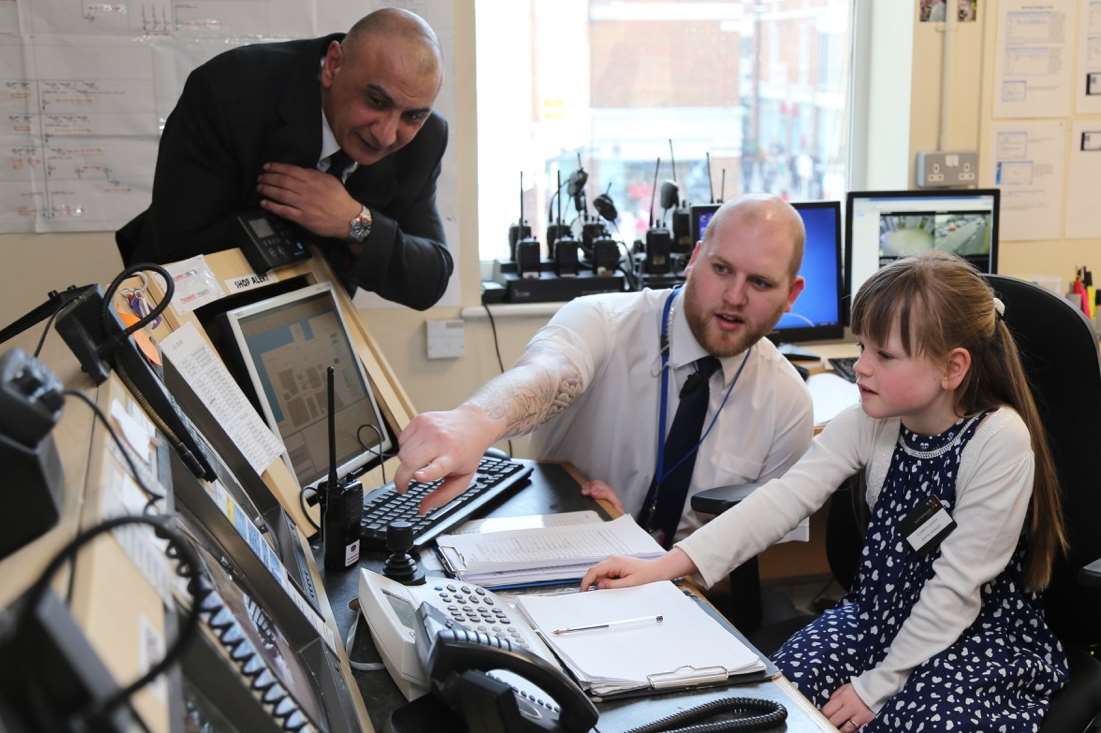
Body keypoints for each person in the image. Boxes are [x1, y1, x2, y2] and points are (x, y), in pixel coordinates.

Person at [582, 252, 1069, 732]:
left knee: (904, 722)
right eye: (861, 348)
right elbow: (782, 500)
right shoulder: (873, 420)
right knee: (778, 705)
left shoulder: (998, 440)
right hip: (875, 621)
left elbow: (955, 592)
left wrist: (874, 687)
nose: (861, 367)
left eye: (883, 355)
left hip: (972, 638)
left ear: (952, 368)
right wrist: (663, 567)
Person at [395, 195, 813, 548]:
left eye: (759, 283)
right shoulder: (601, 320)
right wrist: (476, 421)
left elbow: (749, 550)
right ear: (695, 258)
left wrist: (642, 553)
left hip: (681, 592)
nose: (734, 297)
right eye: (721, 269)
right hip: (563, 563)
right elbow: (547, 374)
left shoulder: (787, 403)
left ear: (791, 293)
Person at [115, 8, 453, 311]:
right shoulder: (229, 90)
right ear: (333, 66)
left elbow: (430, 279)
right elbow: (179, 246)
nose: (387, 134)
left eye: (413, 117)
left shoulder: (426, 139)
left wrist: (354, 222)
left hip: (308, 325)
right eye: (376, 101)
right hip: (180, 313)